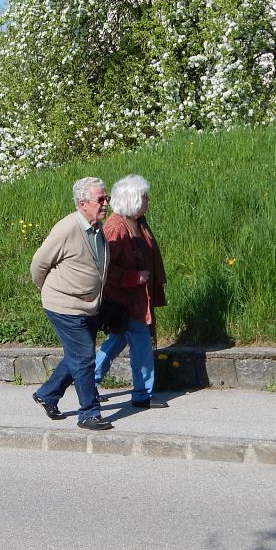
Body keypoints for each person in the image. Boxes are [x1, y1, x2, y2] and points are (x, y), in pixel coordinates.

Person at [30, 177, 114, 431]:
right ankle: (88, 413)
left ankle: (47, 394)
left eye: (106, 198)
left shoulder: (97, 228)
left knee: (76, 355)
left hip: (89, 305)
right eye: (100, 199)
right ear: (82, 203)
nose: (105, 203)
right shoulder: (66, 229)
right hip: (64, 305)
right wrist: (52, 291)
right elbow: (38, 265)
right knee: (84, 357)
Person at [95, 174, 168, 409]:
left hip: (137, 298)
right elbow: (104, 267)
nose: (148, 200)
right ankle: (142, 394)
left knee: (117, 340)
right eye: (144, 196)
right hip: (125, 299)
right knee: (142, 344)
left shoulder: (138, 222)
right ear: (131, 199)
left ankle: (89, 380)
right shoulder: (115, 228)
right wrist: (134, 277)